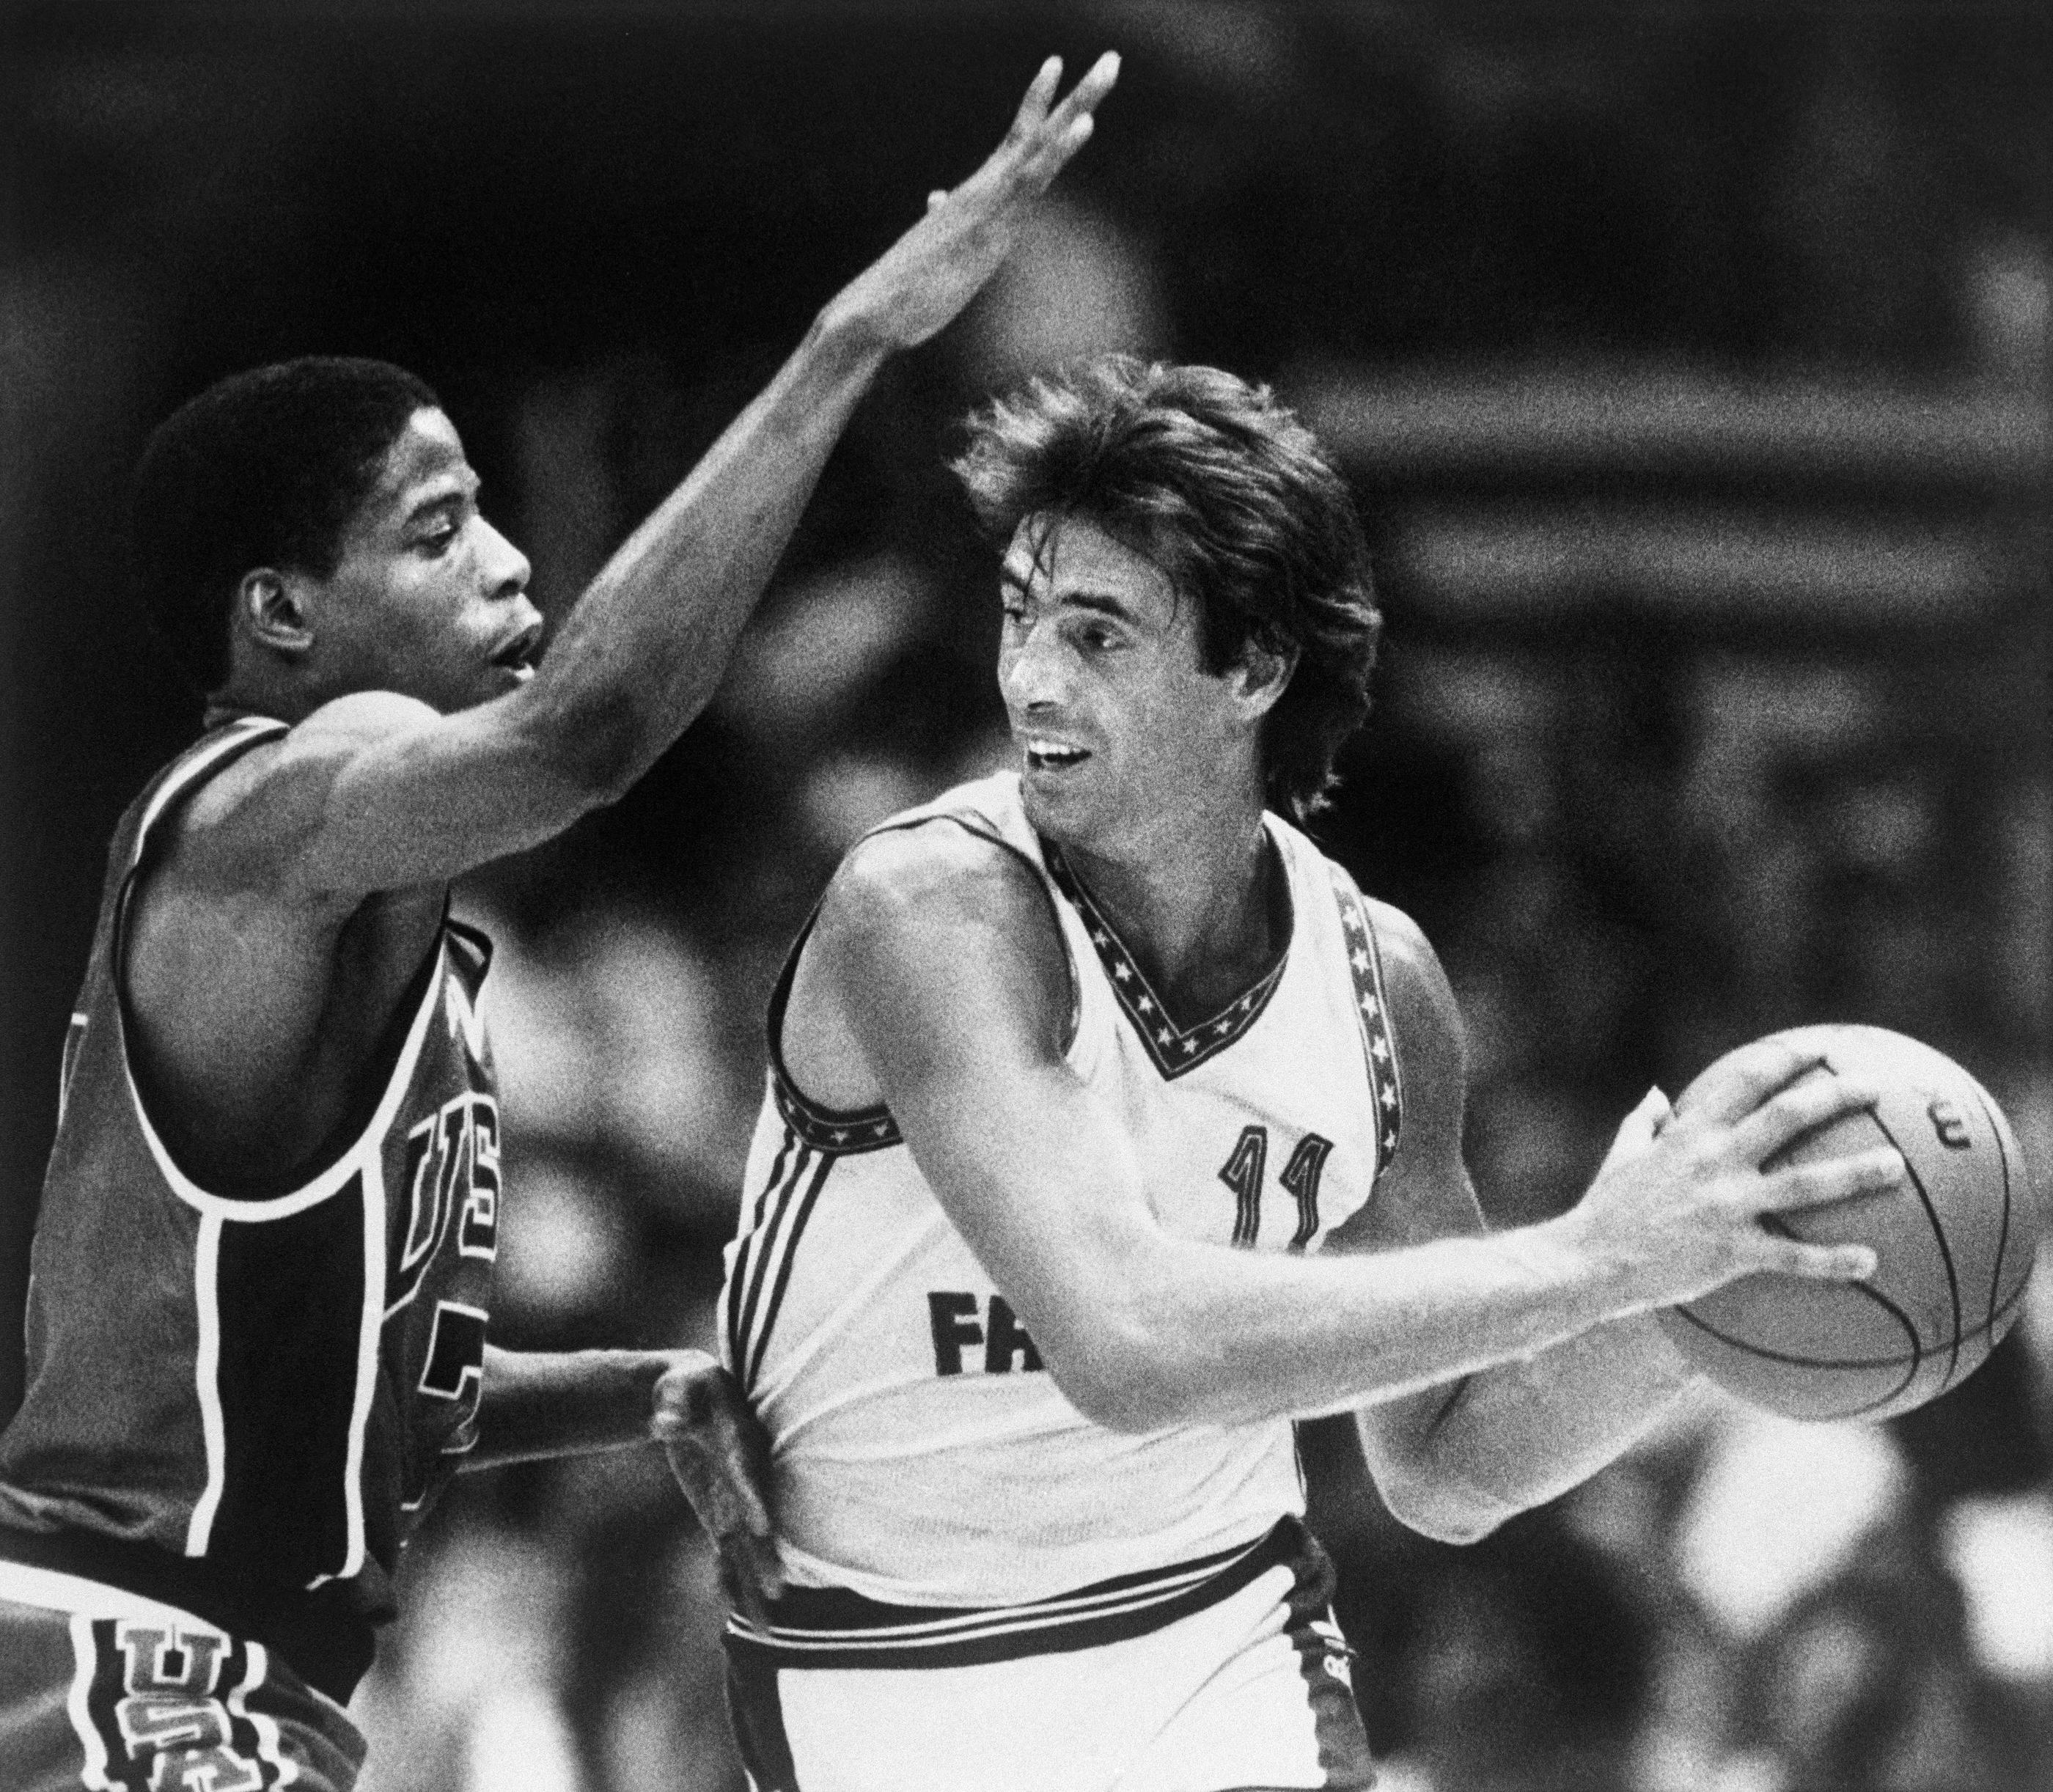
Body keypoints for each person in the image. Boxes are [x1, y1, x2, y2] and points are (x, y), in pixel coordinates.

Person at [0, 51, 1120, 1792]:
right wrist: (846, 348)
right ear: (283, 614)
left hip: (187, 1665)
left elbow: (350, 1411)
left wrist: (640, 1382)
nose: (513, 566)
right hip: (118, 1666)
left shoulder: (357, 926)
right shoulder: (284, 790)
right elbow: (584, 737)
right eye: (441, 535)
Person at [714, 356, 1908, 1792]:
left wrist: (1686, 1291)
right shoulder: (927, 910)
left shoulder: (1378, 984)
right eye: (1019, 618)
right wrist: (1596, 1254)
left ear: (1254, 668)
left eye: (1095, 635)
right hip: (902, 1681)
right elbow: (1125, 1346)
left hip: (1222, 1655)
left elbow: (1448, 1463)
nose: (1028, 676)